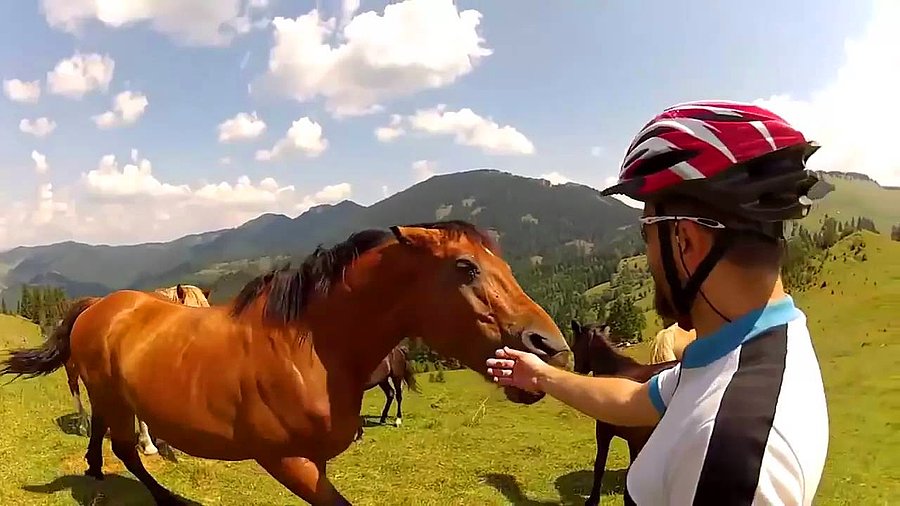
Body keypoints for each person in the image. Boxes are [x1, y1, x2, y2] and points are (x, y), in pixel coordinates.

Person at [486, 101, 832, 505]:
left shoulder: (729, 452)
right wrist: (542, 375)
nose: (647, 254)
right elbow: (638, 400)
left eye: (646, 234)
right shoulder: (755, 348)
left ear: (686, 241)